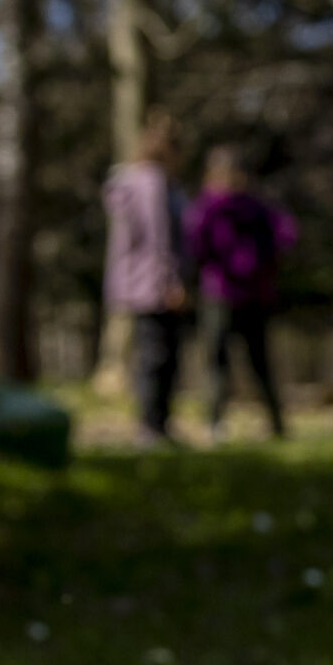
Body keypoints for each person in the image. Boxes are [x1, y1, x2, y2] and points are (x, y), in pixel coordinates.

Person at [184, 146, 296, 441]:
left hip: (254, 295)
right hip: (219, 293)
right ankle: (215, 423)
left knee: (260, 363)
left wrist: (265, 262)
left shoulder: (256, 207)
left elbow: (285, 234)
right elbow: (194, 246)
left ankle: (276, 424)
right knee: (216, 362)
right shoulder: (207, 208)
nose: (229, 181)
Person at [101, 110, 195, 446]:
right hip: (151, 284)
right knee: (156, 357)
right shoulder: (151, 182)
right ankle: (150, 428)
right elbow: (158, 238)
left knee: (165, 355)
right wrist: (170, 282)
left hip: (148, 282)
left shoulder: (157, 182)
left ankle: (160, 424)